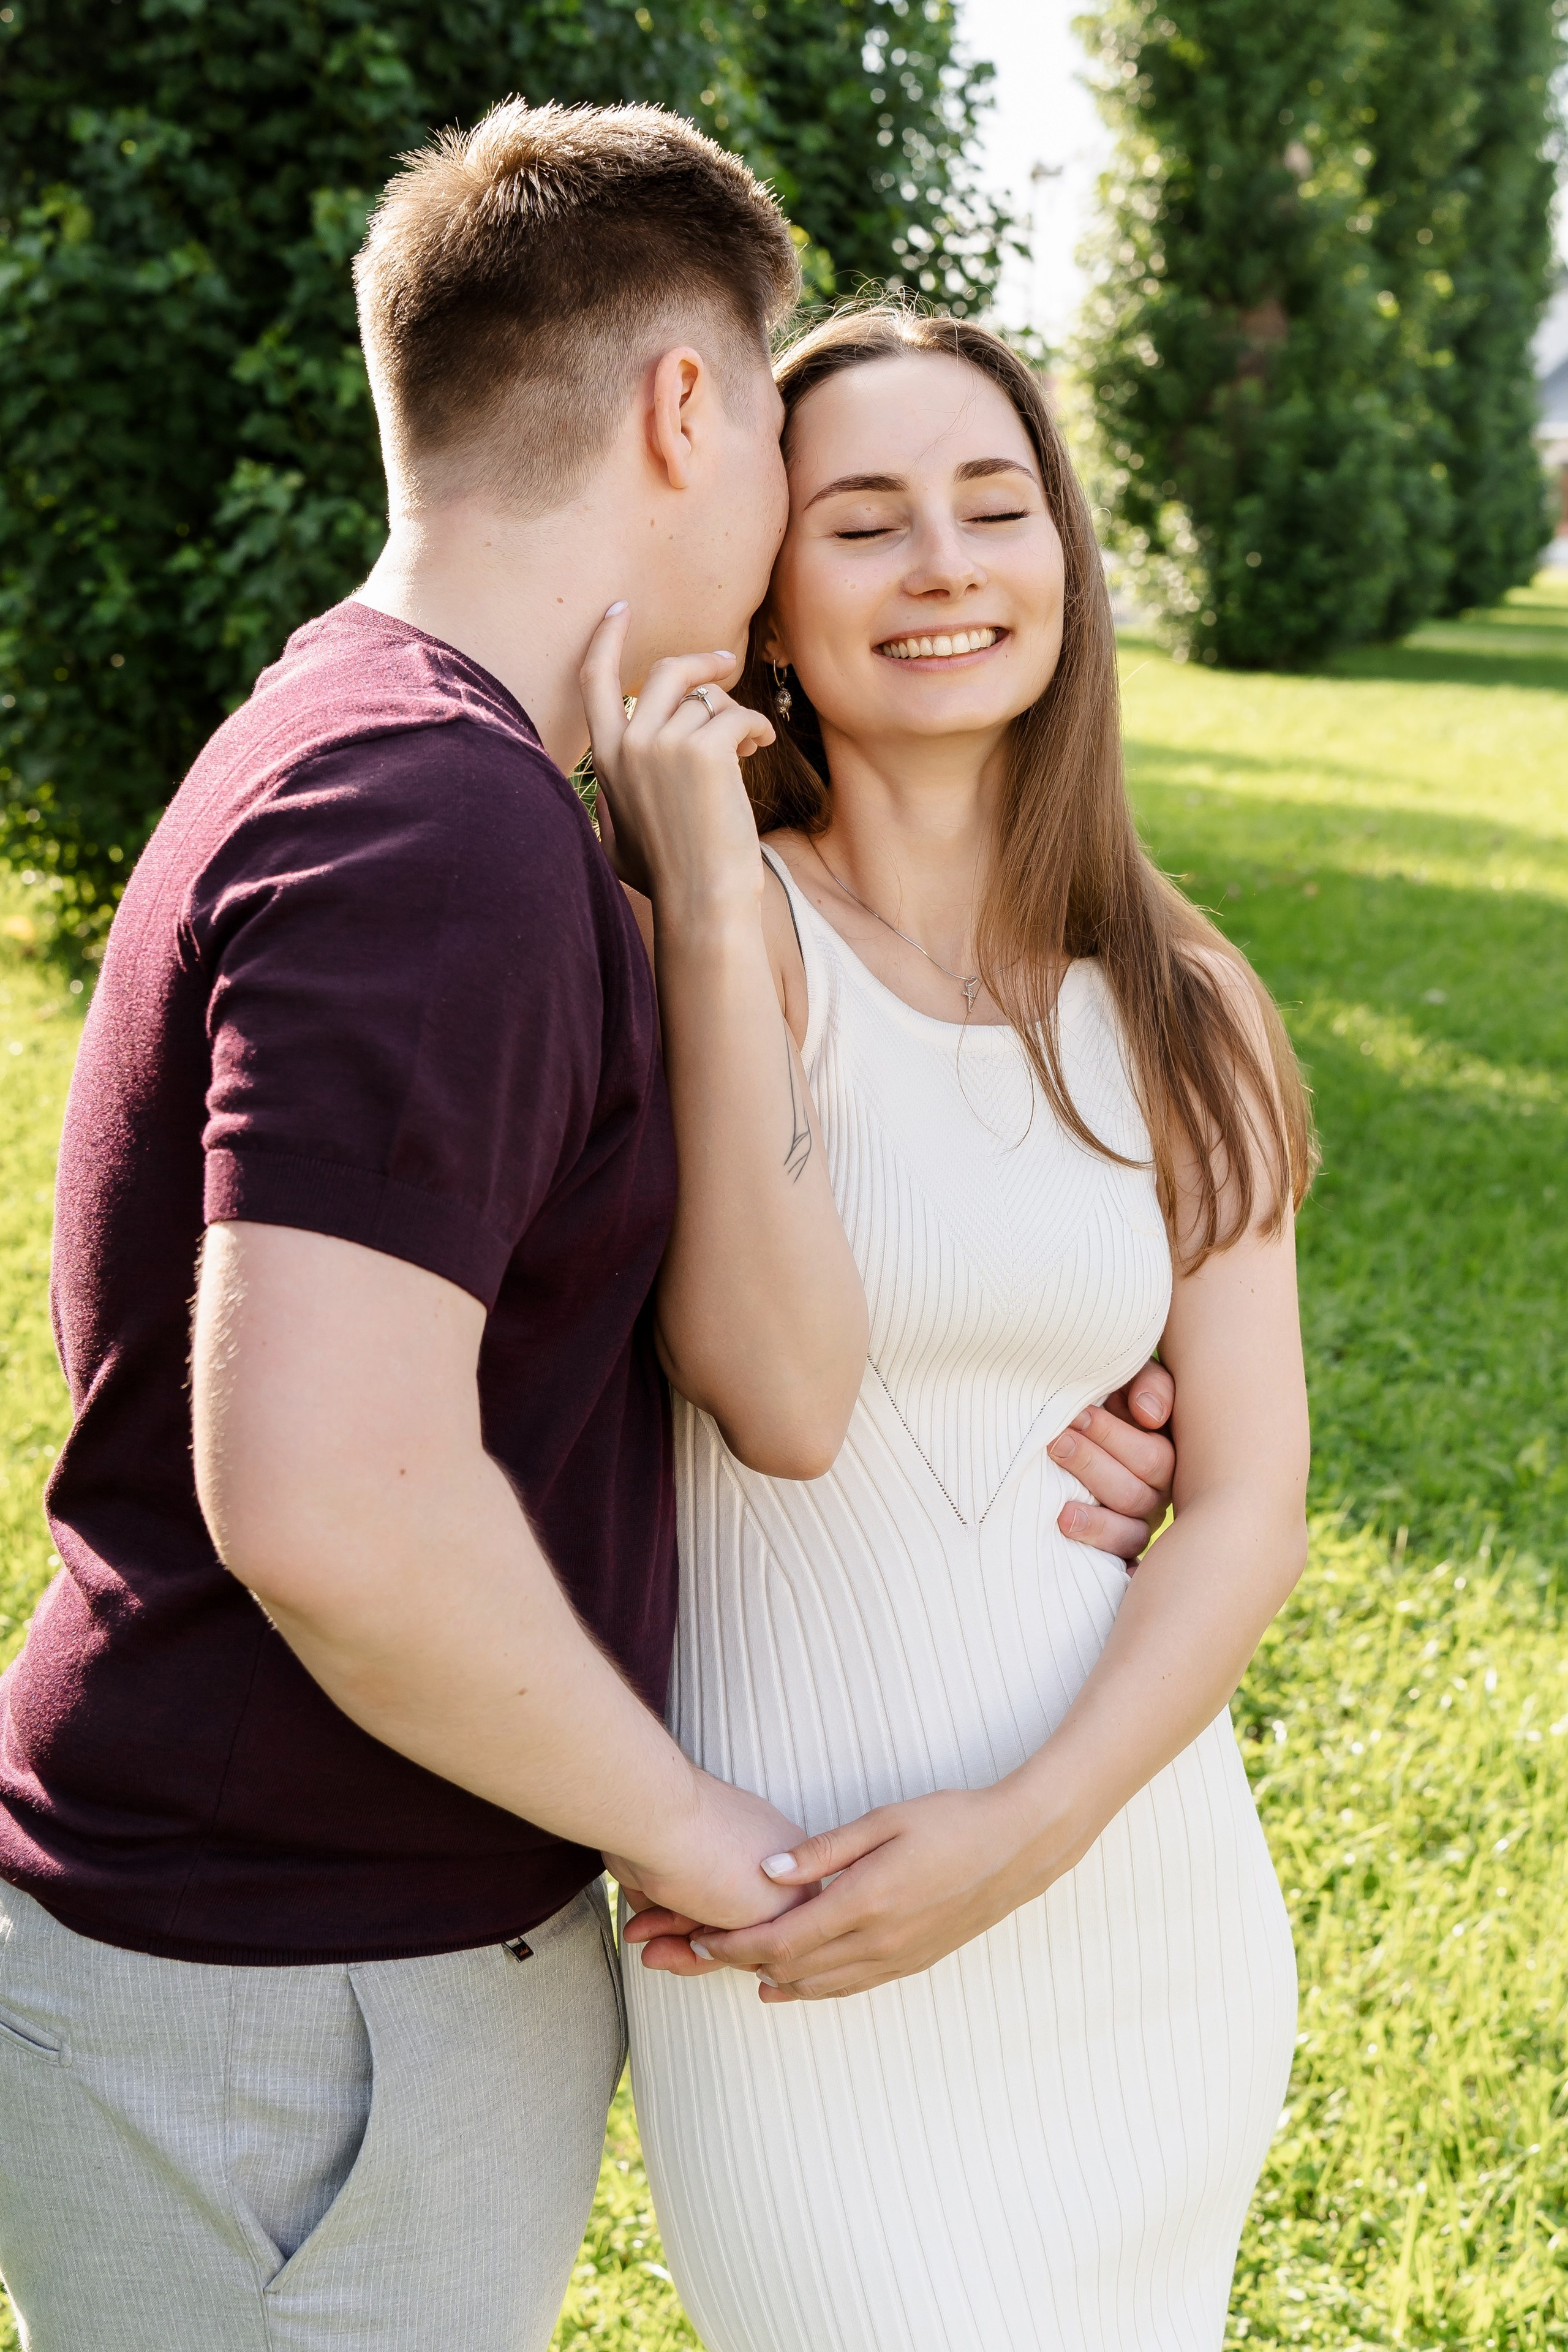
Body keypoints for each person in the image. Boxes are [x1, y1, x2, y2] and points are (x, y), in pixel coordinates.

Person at [0, 111, 1173, 2352]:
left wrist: (1066, 1397)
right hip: (292, 2004)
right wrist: (719, 1846)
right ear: (682, 408)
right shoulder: (429, 825)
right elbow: (335, 1505)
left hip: (333, 1972)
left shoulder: (406, 763)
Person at [585, 307, 1314, 2351]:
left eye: (998, 509)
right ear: (766, 590)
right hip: (800, 1917)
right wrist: (719, 897)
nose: (944, 568)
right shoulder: (676, 942)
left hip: (1128, 1890)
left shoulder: (1186, 1002)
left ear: (1067, 567)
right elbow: (778, 1389)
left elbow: (1250, 1501)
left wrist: (1025, 1836)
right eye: (866, 520)